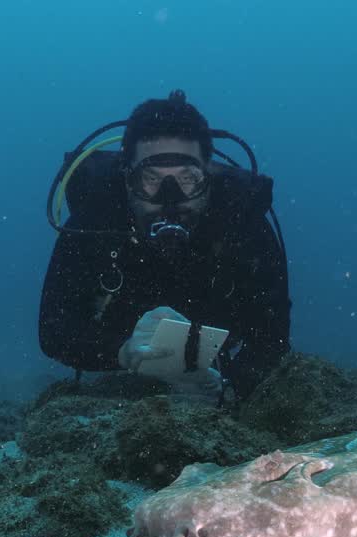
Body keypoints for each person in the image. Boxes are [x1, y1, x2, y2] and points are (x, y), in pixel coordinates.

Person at [38, 90, 291, 402]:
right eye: (151, 179)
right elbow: (54, 330)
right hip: (120, 373)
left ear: (209, 176)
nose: (169, 198)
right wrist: (121, 351)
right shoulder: (93, 222)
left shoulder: (242, 223)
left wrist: (230, 387)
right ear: (127, 179)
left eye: (187, 179)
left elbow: (273, 337)